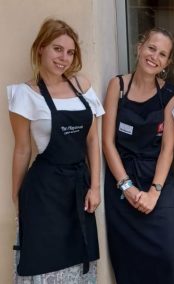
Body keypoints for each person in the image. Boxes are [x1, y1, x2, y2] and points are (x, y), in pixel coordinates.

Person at [7, 18, 103, 282]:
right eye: (57, 49)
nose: (64, 58)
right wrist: (17, 198)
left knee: (79, 257)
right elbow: (22, 150)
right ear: (41, 48)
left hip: (78, 188)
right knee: (43, 262)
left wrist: (95, 187)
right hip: (43, 193)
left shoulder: (82, 87)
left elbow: (93, 140)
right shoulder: (25, 94)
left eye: (70, 52)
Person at [102, 27, 174, 284]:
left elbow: (168, 148)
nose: (154, 56)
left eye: (162, 54)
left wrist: (154, 192)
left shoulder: (170, 94)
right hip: (121, 185)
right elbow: (107, 142)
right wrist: (126, 186)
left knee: (168, 259)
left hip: (158, 184)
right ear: (139, 47)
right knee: (128, 265)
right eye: (151, 48)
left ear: (167, 62)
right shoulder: (118, 86)